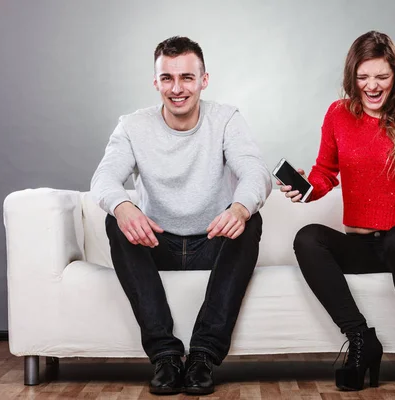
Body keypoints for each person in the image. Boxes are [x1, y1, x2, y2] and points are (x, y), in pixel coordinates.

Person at [280, 31, 395, 391]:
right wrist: (304, 189)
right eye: (363, 78)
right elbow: (324, 173)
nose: (372, 86)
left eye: (381, 77)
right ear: (353, 78)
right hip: (364, 245)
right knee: (308, 238)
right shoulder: (339, 114)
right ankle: (362, 340)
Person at [90, 36, 272, 395]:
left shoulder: (226, 119)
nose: (177, 88)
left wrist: (239, 207)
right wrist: (124, 206)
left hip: (213, 241)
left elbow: (256, 172)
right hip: (157, 243)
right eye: (167, 78)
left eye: (187, 77)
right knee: (116, 219)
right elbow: (104, 178)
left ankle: (203, 355)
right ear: (155, 82)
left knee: (252, 219)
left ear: (204, 80)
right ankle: (165, 356)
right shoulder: (132, 126)